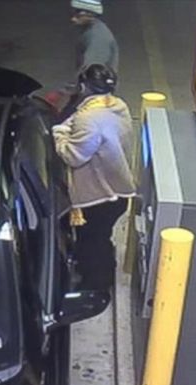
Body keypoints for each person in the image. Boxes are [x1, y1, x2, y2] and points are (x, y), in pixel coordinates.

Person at [52, 64, 134, 292]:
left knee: (92, 244)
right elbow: (79, 123)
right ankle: (102, 275)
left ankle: (93, 287)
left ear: (84, 86)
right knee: (100, 239)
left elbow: (73, 155)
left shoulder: (89, 117)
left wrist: (59, 134)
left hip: (97, 196)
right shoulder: (118, 106)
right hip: (117, 192)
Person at [71, 0, 118, 75]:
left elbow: (94, 71)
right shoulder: (89, 31)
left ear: (90, 14)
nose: (73, 19)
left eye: (78, 15)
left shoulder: (98, 36)